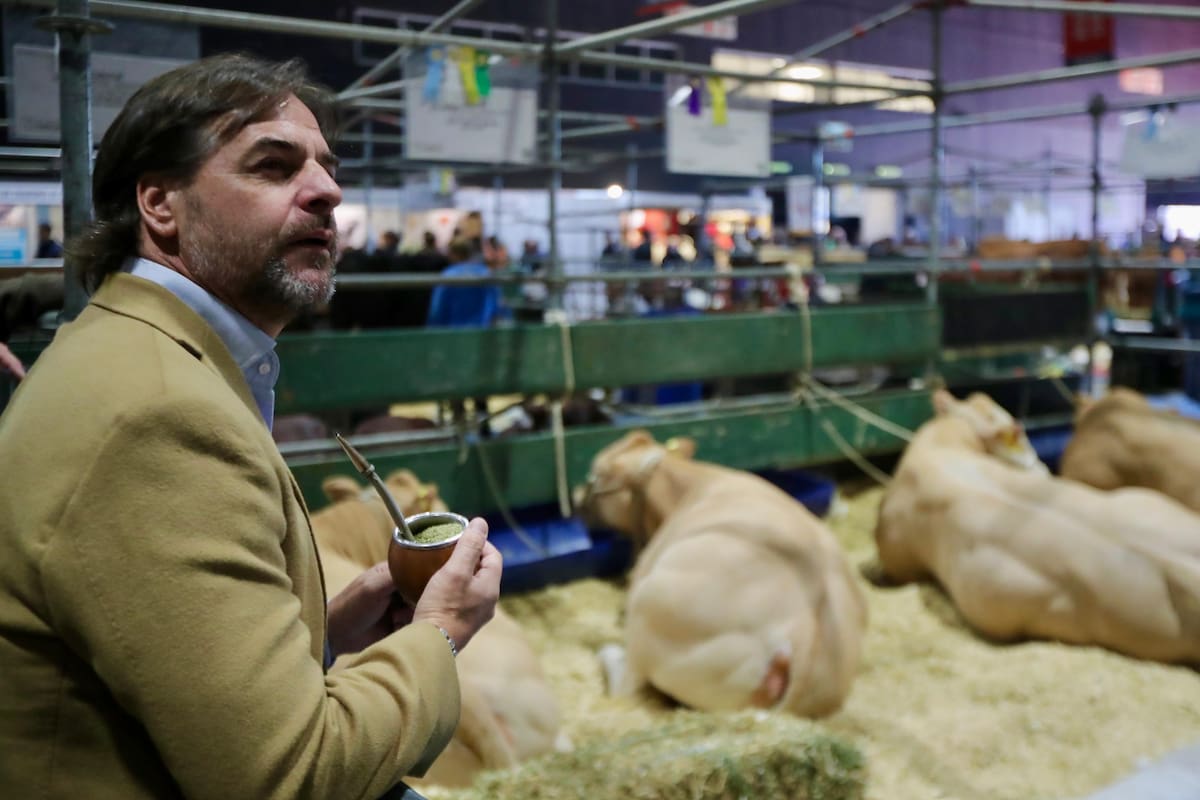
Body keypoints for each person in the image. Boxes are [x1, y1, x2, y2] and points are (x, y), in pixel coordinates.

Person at [0, 53, 502, 800]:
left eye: (328, 169)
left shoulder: (135, 351)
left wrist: (323, 634)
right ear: (160, 205)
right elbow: (290, 778)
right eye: (273, 166)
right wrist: (440, 631)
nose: (328, 192)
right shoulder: (159, 413)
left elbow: (159, 658)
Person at [427, 238, 500, 433]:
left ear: (453, 255)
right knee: (481, 387)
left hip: (454, 339)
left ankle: (459, 430)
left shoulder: (448, 276)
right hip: (480, 338)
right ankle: (485, 427)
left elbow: (437, 310)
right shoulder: (486, 274)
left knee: (456, 387)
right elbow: (495, 308)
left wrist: (433, 337)